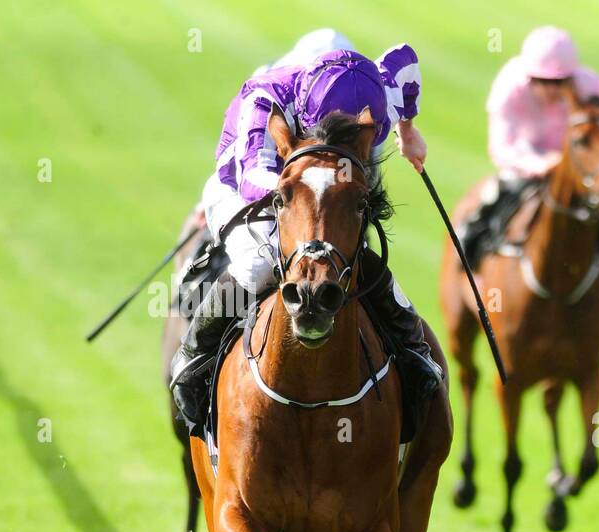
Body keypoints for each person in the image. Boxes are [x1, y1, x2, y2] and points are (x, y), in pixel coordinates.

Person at [169, 36, 442, 435]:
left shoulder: (377, 88)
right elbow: (250, 178)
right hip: (248, 185)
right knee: (259, 263)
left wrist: (408, 129)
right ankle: (194, 358)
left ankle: (413, 352)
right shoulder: (264, 99)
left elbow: (406, 62)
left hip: (326, 184)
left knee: (347, 257)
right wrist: (307, 185)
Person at [457, 26, 599, 270]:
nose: (552, 90)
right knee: (491, 195)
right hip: (524, 160)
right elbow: (500, 148)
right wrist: (541, 165)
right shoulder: (508, 86)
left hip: (571, 166)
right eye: (543, 81)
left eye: (559, 82)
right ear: (529, 76)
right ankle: (468, 242)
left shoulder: (592, 85)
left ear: (571, 77)